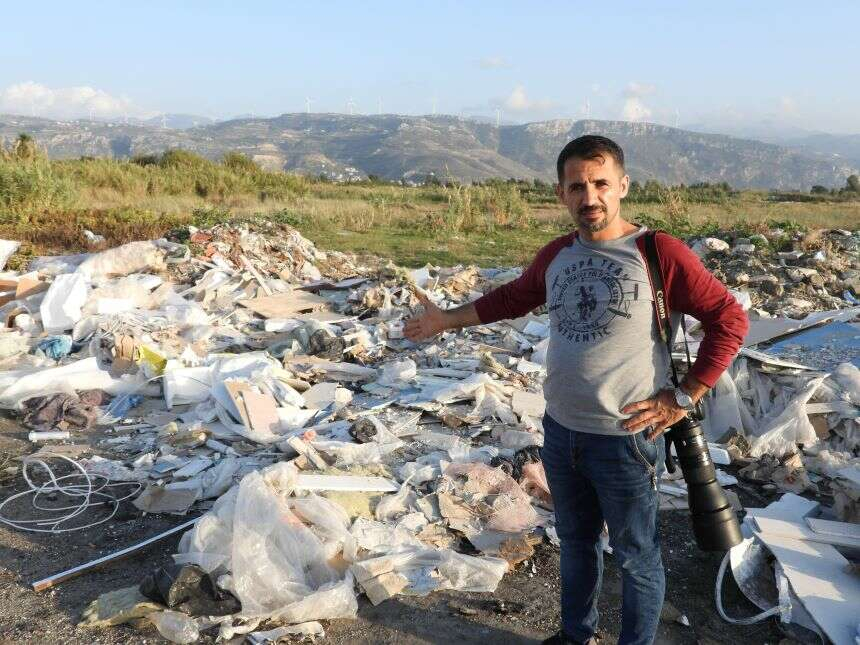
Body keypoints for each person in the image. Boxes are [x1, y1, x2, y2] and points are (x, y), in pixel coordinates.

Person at [404, 135, 748, 645]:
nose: (590, 197)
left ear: (623, 186)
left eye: (601, 183)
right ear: (562, 194)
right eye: (577, 186)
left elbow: (729, 318)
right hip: (562, 432)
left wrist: (685, 396)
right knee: (577, 542)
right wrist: (445, 320)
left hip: (626, 437)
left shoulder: (659, 253)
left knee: (636, 556)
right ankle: (576, 636)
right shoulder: (558, 254)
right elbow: (513, 298)